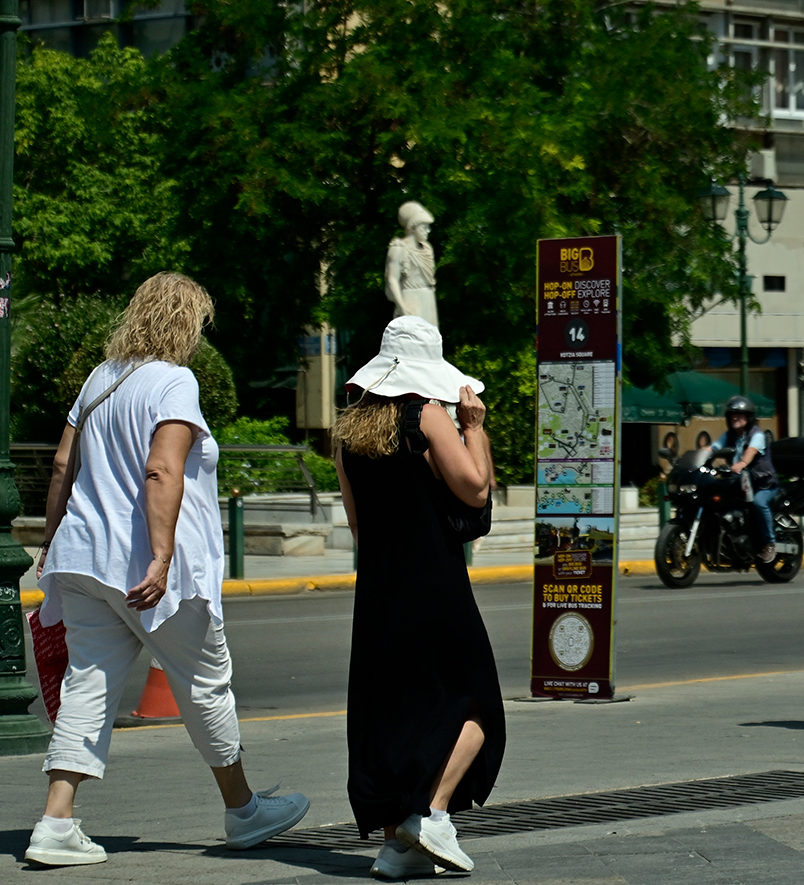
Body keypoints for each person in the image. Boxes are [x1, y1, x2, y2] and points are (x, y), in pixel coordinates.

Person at [29, 273, 309, 866]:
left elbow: (61, 466)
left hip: (81, 559)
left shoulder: (100, 379)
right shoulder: (175, 382)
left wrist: (52, 540)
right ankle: (243, 811)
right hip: (147, 570)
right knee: (204, 682)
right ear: (188, 323)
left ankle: (55, 823)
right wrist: (160, 555)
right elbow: (162, 469)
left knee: (90, 682)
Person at [333, 316, 505, 878]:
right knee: (476, 701)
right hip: (435, 582)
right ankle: (430, 813)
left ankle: (395, 848)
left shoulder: (348, 433)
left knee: (392, 712)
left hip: (379, 588)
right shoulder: (428, 417)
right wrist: (474, 427)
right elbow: (475, 487)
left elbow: (359, 527)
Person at [709, 396, 779, 562]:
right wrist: (697, 456)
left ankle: (770, 543)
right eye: (732, 414)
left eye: (740, 414)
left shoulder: (757, 435)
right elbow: (714, 448)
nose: (735, 417)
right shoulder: (729, 435)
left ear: (748, 417)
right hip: (740, 482)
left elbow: (751, 451)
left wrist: (741, 463)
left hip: (764, 484)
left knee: (758, 503)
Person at [385, 201, 439, 326]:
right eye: (424, 227)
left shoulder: (427, 249)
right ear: (413, 227)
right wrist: (401, 306)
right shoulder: (399, 248)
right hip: (410, 299)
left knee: (431, 340)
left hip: (428, 298)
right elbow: (392, 279)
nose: (428, 231)